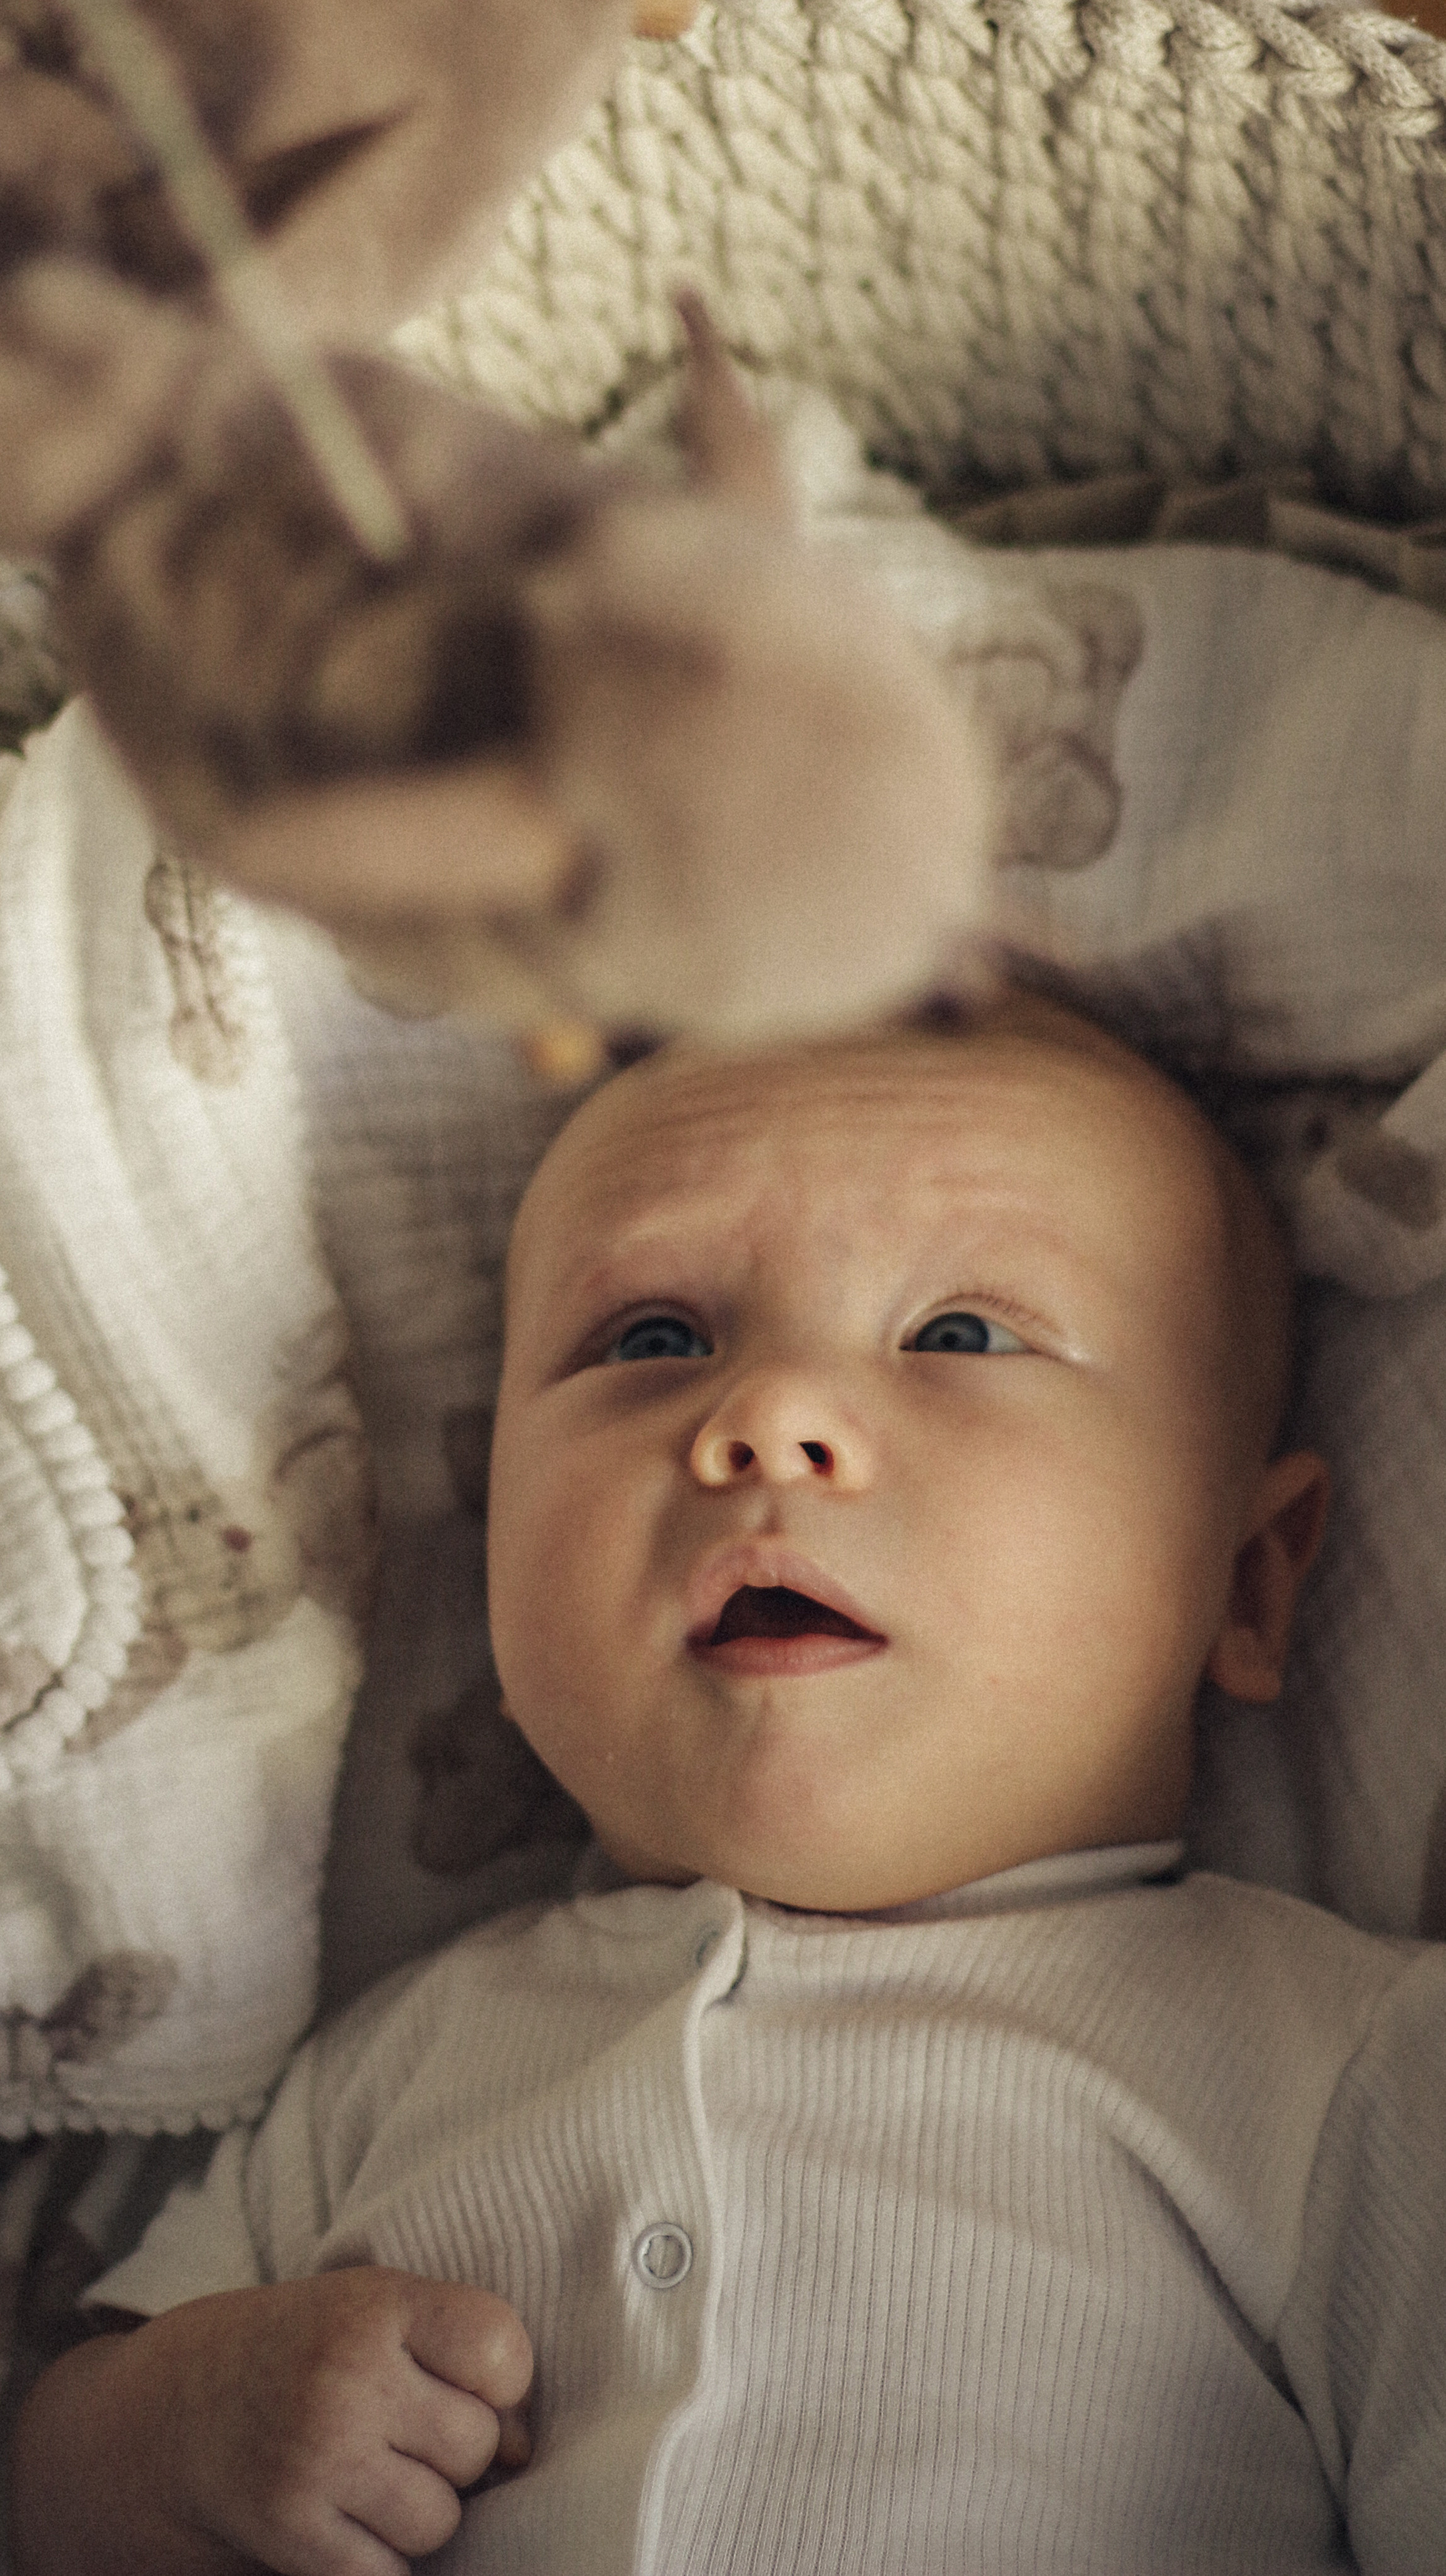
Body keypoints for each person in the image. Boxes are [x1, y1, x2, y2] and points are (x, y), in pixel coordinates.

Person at [10, 997, 1445, 2575]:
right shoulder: (381, 2071)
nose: (765, 1418)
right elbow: (48, 2500)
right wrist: (179, 2426)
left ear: (1243, 1579)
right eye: (654, 1339)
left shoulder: (1340, 2067)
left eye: (960, 1334)